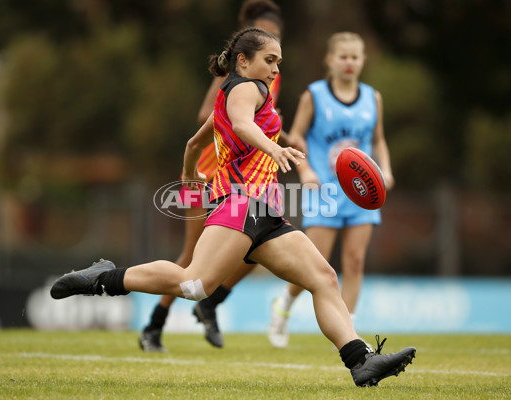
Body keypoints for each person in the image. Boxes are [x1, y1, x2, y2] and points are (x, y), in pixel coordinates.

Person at [50, 27, 416, 388]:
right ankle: (101, 278)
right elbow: (240, 125)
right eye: (269, 60)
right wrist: (273, 149)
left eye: (279, 62)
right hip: (240, 203)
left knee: (323, 278)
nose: (275, 69)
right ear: (243, 60)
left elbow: (195, 143)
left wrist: (192, 175)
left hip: (267, 213)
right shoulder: (245, 88)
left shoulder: (240, 95)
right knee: (194, 284)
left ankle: (360, 360)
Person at [138, 0, 295, 352]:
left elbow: (258, 125)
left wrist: (284, 136)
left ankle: (210, 302)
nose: (274, 50)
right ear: (249, 45)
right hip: (208, 174)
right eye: (269, 39)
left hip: (243, 179)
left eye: (279, 39)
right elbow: (210, 116)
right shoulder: (235, 77)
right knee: (192, 258)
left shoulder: (272, 76)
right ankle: (153, 327)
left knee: (254, 253)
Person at [267, 32, 395, 349]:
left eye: (355, 57)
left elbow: (378, 139)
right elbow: (294, 137)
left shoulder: (372, 98)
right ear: (330, 60)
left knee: (354, 261)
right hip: (323, 190)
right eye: (343, 56)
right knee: (316, 262)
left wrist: (386, 170)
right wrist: (306, 170)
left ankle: (350, 332)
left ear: (363, 61)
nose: (349, 62)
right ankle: (283, 303)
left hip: (361, 193)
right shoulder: (315, 95)